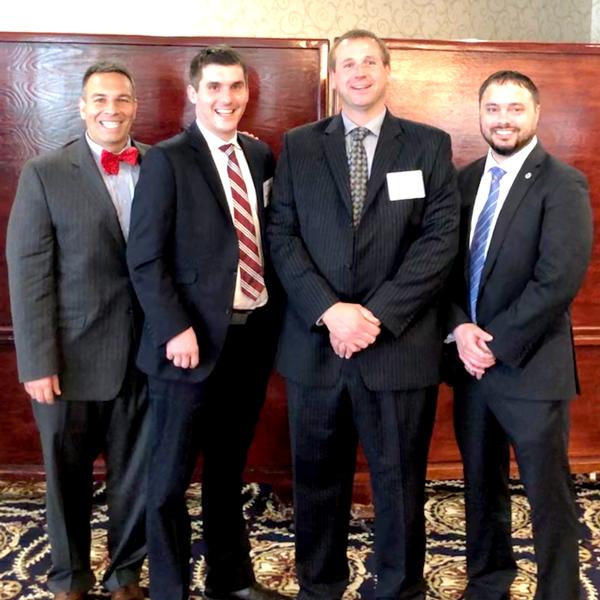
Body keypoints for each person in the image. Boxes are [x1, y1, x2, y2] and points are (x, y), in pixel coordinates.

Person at [267, 29, 459, 600]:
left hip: (398, 349)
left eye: (369, 62)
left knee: (398, 483)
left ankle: (399, 588)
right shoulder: (298, 144)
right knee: (317, 481)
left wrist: (371, 316)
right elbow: (281, 236)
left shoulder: (428, 144)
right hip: (316, 347)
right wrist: (331, 311)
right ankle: (319, 586)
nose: (358, 72)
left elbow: (440, 241)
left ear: (387, 70)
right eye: (348, 63)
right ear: (335, 76)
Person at [126, 46, 283, 600]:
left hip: (249, 340)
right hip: (186, 347)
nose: (226, 98)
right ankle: (170, 590)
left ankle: (231, 581)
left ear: (247, 92)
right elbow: (145, 258)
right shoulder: (168, 159)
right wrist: (174, 329)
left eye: (235, 87)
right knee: (168, 480)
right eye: (214, 87)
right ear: (194, 92)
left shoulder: (261, 157)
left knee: (226, 472)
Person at [446, 70, 593, 600]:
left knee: (546, 491)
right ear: (480, 114)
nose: (503, 119)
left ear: (535, 114)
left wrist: (494, 343)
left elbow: (558, 280)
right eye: (493, 108)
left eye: (514, 109)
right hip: (468, 365)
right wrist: (460, 328)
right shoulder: (461, 182)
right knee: (481, 485)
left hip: (529, 366)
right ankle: (489, 582)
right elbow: (445, 270)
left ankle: (560, 591)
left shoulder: (563, 182)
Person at [6, 62, 149, 600]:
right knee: (66, 479)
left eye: (122, 99)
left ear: (135, 106)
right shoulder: (45, 171)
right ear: (83, 107)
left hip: (143, 354)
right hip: (68, 359)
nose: (111, 109)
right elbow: (28, 270)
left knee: (134, 474)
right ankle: (68, 577)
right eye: (100, 99)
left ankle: (126, 574)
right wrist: (37, 362)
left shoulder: (159, 165)